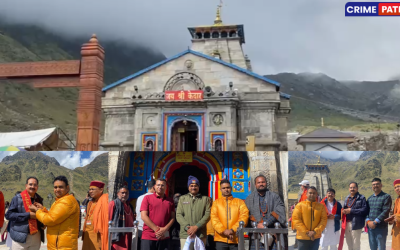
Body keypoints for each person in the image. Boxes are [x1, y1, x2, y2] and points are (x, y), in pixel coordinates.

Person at [30, 175, 80, 250]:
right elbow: (55, 215)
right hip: (58, 244)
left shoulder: (66, 201)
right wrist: (43, 209)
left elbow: (50, 219)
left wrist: (37, 211)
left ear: (68, 188)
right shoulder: (59, 200)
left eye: (61, 187)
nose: (57, 189)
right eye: (55, 187)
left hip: (63, 246)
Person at [245, 175, 286, 250]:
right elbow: (247, 216)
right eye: (259, 182)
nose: (261, 184)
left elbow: (279, 211)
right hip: (256, 234)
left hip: (272, 233)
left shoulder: (274, 197)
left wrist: (266, 223)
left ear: (266, 183)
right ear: (255, 184)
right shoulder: (249, 199)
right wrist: (257, 225)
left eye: (263, 182)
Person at [5, 177, 45, 250]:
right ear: (26, 186)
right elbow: (9, 215)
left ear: (37, 187)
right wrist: (28, 215)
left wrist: (42, 224)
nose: (32, 187)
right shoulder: (17, 198)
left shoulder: (39, 199)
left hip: (36, 236)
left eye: (35, 185)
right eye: (30, 184)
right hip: (20, 237)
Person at [210, 179, 249, 250]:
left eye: (228, 187)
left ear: (231, 188)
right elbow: (214, 219)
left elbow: (244, 217)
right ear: (220, 190)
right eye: (224, 188)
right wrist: (224, 231)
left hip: (236, 238)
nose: (226, 190)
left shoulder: (239, 202)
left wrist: (232, 230)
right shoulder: (216, 203)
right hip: (221, 239)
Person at [140, 178, 175, 250]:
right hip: (149, 235)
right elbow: (144, 216)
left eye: (162, 185)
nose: (160, 187)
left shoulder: (170, 201)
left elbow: (172, 217)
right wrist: (156, 230)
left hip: (164, 235)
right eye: (158, 185)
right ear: (154, 187)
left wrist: (165, 229)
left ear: (166, 187)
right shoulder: (147, 198)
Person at [177, 176, 211, 247]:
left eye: (195, 186)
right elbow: (179, 215)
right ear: (188, 187)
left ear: (198, 187)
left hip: (200, 233)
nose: (193, 187)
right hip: (185, 233)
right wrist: (187, 227)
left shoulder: (205, 199)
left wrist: (196, 227)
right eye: (191, 185)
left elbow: (208, 215)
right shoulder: (182, 198)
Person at [292, 186, 327, 250]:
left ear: (316, 194)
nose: (312, 194)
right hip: (302, 237)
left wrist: (315, 232)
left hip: (315, 237)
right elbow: (296, 220)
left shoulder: (321, 207)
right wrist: (307, 232)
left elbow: (323, 220)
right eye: (310, 193)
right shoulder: (299, 205)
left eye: (314, 193)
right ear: (306, 194)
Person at [340, 182, 368, 250]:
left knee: (356, 244)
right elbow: (345, 209)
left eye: (354, 187)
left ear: (357, 188)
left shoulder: (361, 198)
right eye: (351, 187)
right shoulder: (347, 198)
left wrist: (351, 211)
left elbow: (364, 210)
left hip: (356, 223)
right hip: (347, 223)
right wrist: (344, 211)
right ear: (349, 189)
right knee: (349, 244)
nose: (352, 189)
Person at [82, 180, 109, 250]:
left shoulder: (105, 200)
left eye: (93, 189)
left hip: (97, 235)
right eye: (90, 189)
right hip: (87, 234)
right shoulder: (90, 203)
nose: (90, 191)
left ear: (101, 189)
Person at [366, 178, 392, 250]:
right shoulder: (369, 198)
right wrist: (368, 221)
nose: (375, 186)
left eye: (377, 184)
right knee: (372, 247)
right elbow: (366, 211)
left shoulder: (386, 197)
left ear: (381, 185)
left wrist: (375, 222)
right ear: (372, 186)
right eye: (373, 184)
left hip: (381, 227)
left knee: (381, 247)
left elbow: (386, 211)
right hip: (371, 228)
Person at [135, 179, 155, 250]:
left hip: (139, 227)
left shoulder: (140, 197)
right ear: (153, 187)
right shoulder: (155, 198)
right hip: (149, 229)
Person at [292, 180, 309, 248]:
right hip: (303, 214)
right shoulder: (305, 193)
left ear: (303, 186)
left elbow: (304, 205)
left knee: (300, 229)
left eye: (301, 186)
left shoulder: (306, 193)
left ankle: (299, 243)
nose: (301, 187)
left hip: (303, 215)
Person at [386, 179, 400, 250]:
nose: (397, 189)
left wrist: (396, 216)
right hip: (397, 229)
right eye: (395, 187)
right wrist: (392, 219)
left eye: (399, 186)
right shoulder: (397, 200)